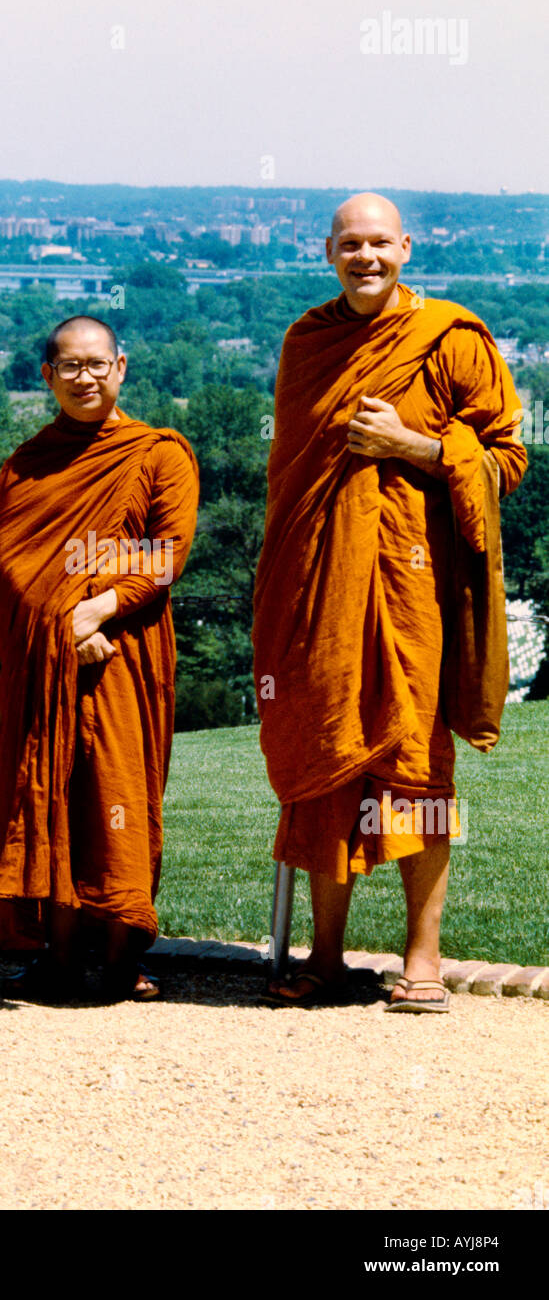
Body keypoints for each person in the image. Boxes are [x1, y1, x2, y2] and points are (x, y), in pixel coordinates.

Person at [253, 193, 526, 1012]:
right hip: (317, 584)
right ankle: (325, 956)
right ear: (326, 251)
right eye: (350, 244)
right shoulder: (308, 342)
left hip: (413, 585)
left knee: (413, 763)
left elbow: (506, 458)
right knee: (325, 754)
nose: (364, 256)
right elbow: (290, 478)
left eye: (379, 242)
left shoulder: (452, 339)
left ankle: (423, 957)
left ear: (405, 247)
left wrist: (412, 447)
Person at [0, 314, 199, 1002]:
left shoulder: (158, 453)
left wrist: (98, 608)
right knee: (51, 793)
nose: (85, 377)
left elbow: (165, 553)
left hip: (127, 654)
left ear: (121, 368)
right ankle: (57, 955)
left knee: (117, 793)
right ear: (47, 376)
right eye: (69, 367)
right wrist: (65, 625)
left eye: (96, 364)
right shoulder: (26, 464)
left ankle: (118, 955)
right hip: (51, 662)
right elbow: (15, 566)